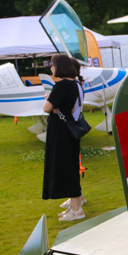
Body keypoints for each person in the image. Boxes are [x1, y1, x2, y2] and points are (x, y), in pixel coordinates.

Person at [43, 54, 86, 221]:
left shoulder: (62, 85)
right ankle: (75, 205)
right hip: (69, 129)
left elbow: (46, 108)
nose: (51, 69)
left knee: (66, 167)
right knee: (70, 166)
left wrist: (51, 102)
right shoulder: (74, 84)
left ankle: (77, 209)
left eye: (52, 65)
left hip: (61, 130)